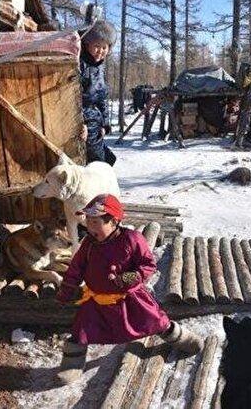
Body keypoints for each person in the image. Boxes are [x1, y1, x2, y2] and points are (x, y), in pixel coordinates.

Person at [55, 194, 203, 384]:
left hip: (130, 299)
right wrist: (68, 289)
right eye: (88, 221)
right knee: (81, 329)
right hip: (98, 301)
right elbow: (76, 267)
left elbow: (148, 264)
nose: (90, 227)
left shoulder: (132, 239)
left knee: (155, 320)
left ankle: (182, 339)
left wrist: (129, 277)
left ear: (114, 221)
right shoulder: (88, 244)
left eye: (95, 222)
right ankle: (72, 365)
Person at [79, 21, 116, 165]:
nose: (100, 51)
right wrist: (79, 123)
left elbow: (103, 98)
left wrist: (104, 124)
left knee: (103, 162)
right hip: (85, 123)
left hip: (96, 124)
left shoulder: (99, 67)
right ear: (87, 44)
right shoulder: (80, 64)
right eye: (96, 46)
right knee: (96, 163)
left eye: (104, 47)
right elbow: (74, 97)